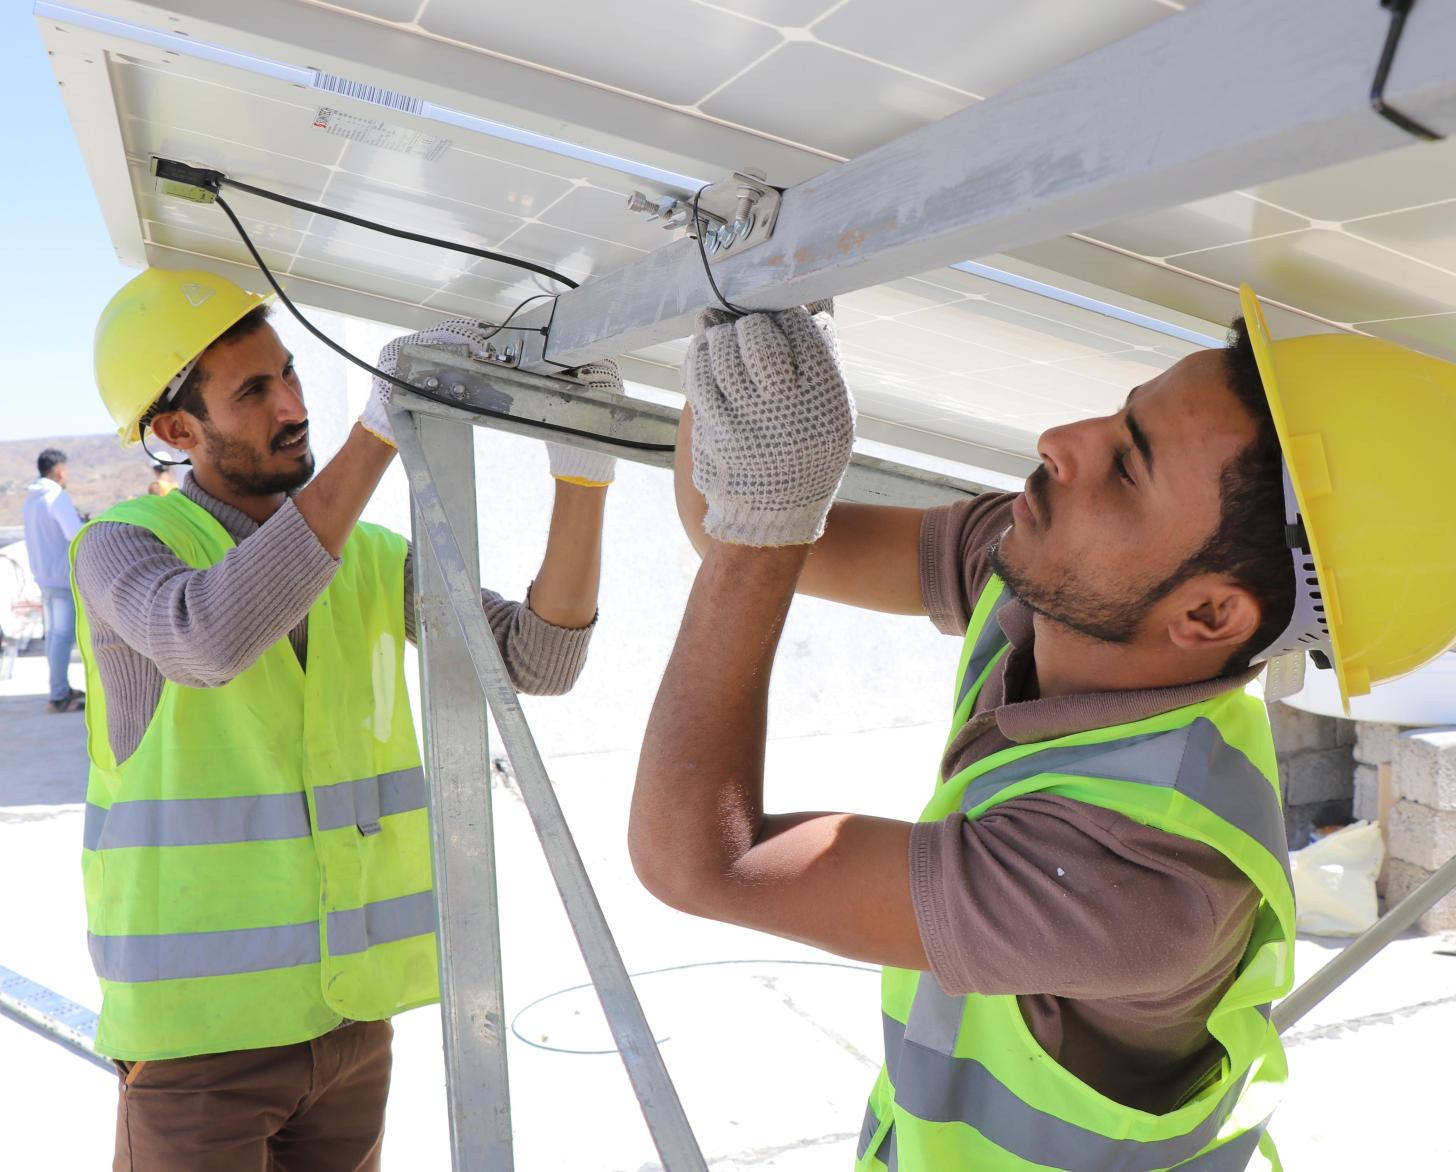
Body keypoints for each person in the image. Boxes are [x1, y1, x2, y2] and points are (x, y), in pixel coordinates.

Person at [632, 290, 1456, 1170]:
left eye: (1128, 468)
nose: (1063, 442)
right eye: (1120, 415)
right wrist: (748, 325)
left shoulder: (1140, 876)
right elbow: (749, 531)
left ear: (1211, 613)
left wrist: (764, 518)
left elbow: (705, 866)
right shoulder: (1058, 578)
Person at [75, 267, 618, 1171]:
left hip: (350, 1027)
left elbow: (536, 660)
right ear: (177, 430)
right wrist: (380, 431)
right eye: (254, 391)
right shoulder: (124, 548)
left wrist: (583, 474)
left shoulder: (367, 555)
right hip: (198, 1045)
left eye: (289, 373)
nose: (293, 404)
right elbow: (207, 640)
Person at [22, 446, 85, 712]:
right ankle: (58, 696)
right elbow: (75, 533)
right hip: (60, 576)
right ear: (59, 470)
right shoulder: (56, 496)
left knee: (53, 637)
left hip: (43, 574)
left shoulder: (31, 498)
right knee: (62, 636)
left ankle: (59, 688)